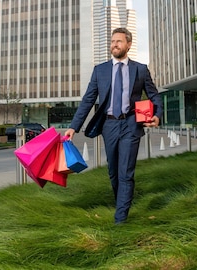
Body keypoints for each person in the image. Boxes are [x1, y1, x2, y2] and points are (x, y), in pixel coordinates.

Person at [64, 27, 163, 224]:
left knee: (126, 171)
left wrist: (158, 115)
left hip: (130, 124)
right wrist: (74, 127)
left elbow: (154, 95)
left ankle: (120, 219)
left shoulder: (140, 69)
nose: (114, 44)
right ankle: (122, 202)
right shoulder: (100, 70)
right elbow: (88, 100)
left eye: (118, 41)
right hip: (109, 126)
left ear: (128, 44)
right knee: (114, 171)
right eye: (112, 41)